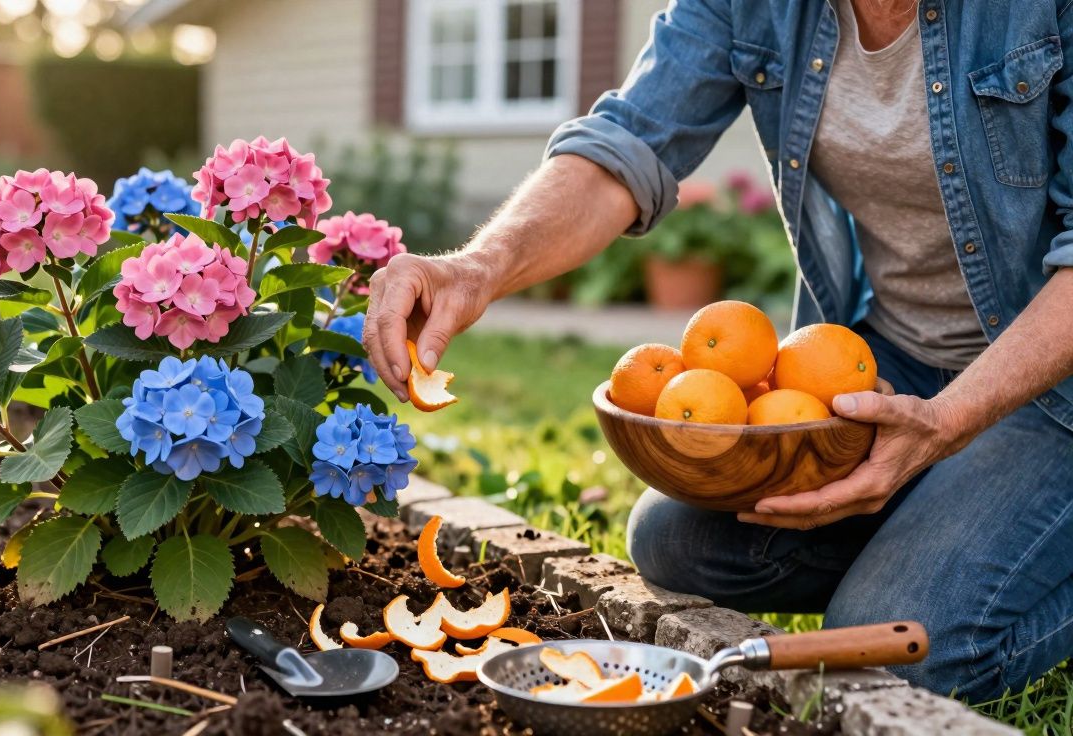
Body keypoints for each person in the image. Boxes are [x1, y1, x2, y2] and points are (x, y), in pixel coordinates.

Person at [362, 0, 1073, 701]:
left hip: (1052, 387)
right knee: (676, 541)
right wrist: (477, 268)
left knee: (891, 647)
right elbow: (626, 145)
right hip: (894, 364)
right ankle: (964, 529)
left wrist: (950, 423)